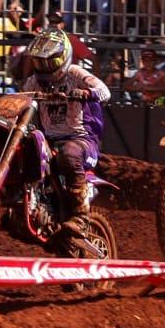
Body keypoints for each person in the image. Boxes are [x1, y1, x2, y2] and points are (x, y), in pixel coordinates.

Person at [22, 28, 111, 234]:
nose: (44, 67)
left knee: (68, 155)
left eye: (49, 62)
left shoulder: (74, 73)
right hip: (50, 139)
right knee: (26, 146)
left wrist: (86, 93)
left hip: (81, 139)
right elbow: (22, 97)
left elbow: (104, 91)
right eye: (39, 62)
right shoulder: (34, 81)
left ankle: (80, 217)